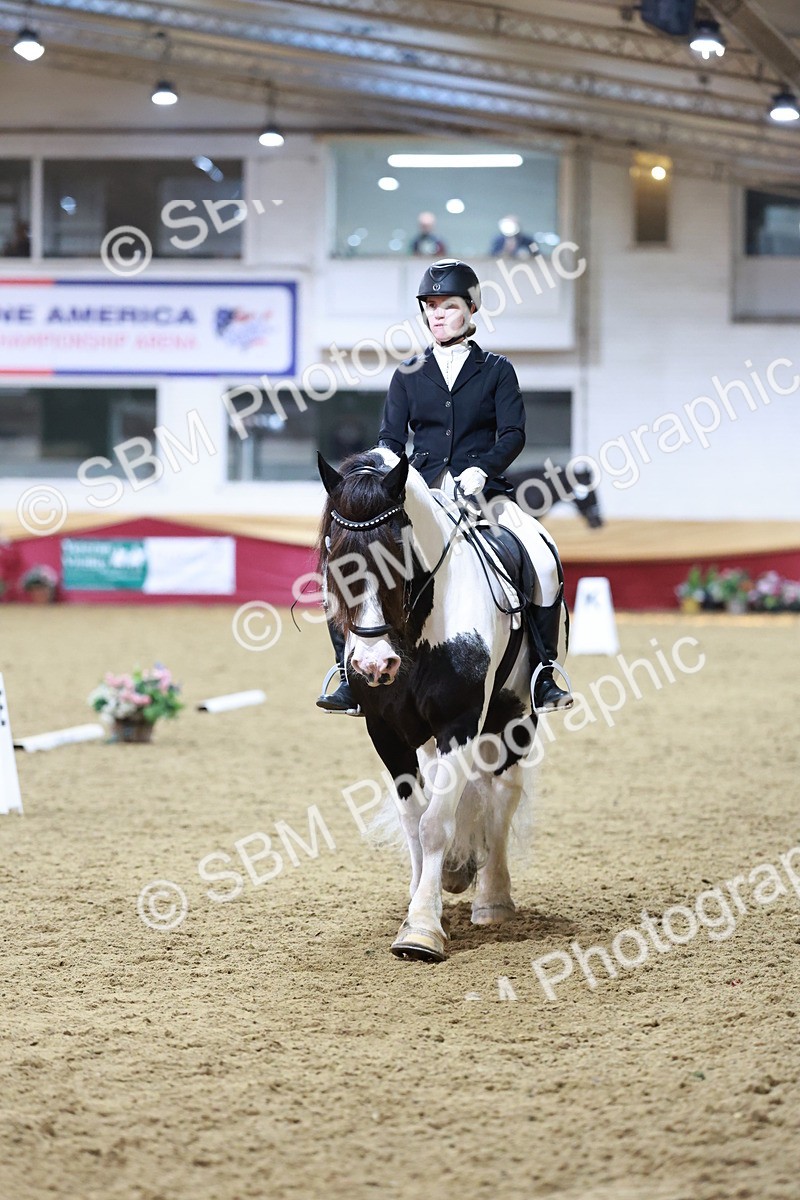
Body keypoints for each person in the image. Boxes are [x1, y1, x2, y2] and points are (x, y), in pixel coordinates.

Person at [317, 258, 573, 715]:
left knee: (542, 556)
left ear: (471, 308)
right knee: (351, 565)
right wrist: (384, 474)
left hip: (484, 495)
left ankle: (543, 673)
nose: (437, 314)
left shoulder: (496, 370)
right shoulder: (408, 373)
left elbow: (513, 434)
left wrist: (483, 468)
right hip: (423, 493)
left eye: (448, 306)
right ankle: (347, 674)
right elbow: (390, 440)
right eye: (430, 306)